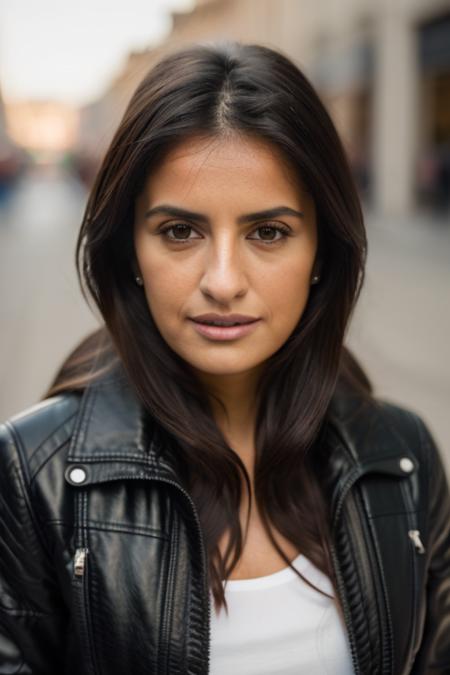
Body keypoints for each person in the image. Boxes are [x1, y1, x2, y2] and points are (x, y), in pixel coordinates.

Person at [0, 40, 449, 675]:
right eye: (179, 232)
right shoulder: (31, 473)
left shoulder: (402, 458)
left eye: (269, 232)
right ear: (129, 249)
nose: (223, 281)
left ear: (322, 252)